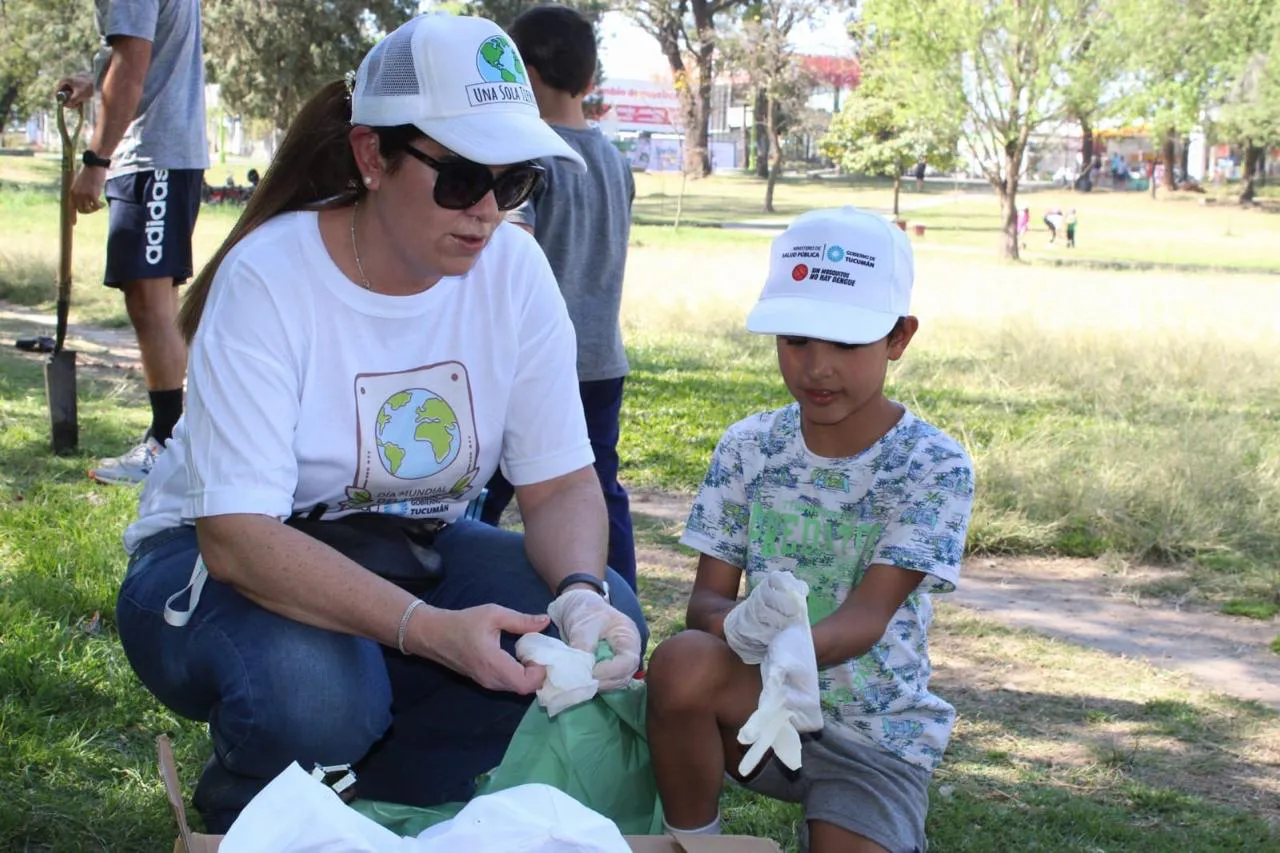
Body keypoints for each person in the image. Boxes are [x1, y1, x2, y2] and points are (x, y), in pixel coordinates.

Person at [112, 13, 647, 833]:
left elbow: (562, 481)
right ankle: (251, 812)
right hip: (208, 560)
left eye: (517, 183)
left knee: (609, 614)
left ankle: (386, 807)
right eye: (465, 177)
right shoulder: (272, 277)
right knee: (319, 688)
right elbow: (237, 537)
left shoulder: (514, 270)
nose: (489, 211)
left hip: (407, 547)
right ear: (372, 155)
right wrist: (429, 632)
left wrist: (579, 594)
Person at [645, 206, 974, 853]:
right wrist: (737, 626)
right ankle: (694, 842)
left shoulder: (933, 464)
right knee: (681, 661)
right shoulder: (747, 446)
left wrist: (794, 646)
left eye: (846, 343)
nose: (817, 366)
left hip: (873, 733)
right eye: (796, 339)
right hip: (752, 707)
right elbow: (704, 603)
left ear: (899, 337)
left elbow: (869, 615)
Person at [478, 4, 638, 590]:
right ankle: (620, 601)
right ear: (589, 80)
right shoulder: (615, 162)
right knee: (598, 489)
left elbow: (508, 251)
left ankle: (444, 580)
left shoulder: (527, 160)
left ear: (519, 74)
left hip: (535, 362)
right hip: (603, 359)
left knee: (480, 487)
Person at [57, 0, 208, 485]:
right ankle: (180, 441)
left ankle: (169, 446)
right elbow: (140, 54)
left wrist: (95, 160)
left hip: (154, 153)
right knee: (154, 298)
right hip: (164, 150)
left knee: (149, 299)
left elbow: (134, 63)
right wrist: (95, 84)